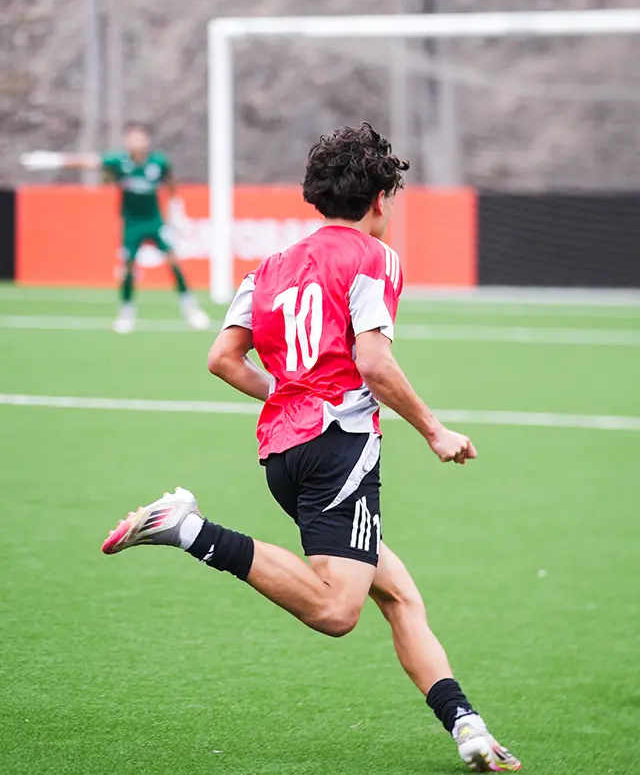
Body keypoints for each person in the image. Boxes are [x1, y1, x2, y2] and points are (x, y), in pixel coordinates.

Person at [100, 123, 522, 772]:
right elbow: (374, 363)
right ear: (380, 198)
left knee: (399, 594)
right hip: (339, 451)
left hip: (284, 455)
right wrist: (435, 429)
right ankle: (189, 529)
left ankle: (466, 723)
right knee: (335, 609)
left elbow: (223, 359)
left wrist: (291, 391)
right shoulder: (373, 258)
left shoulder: (268, 268)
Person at [21, 124, 210, 334]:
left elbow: (171, 183)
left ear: (146, 141)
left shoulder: (158, 162)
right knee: (128, 266)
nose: (135, 142)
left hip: (154, 221)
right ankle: (126, 313)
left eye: (139, 138)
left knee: (173, 261)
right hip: (132, 223)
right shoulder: (119, 162)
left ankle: (191, 310)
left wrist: (177, 210)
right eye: (131, 138)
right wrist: (54, 160)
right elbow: (88, 162)